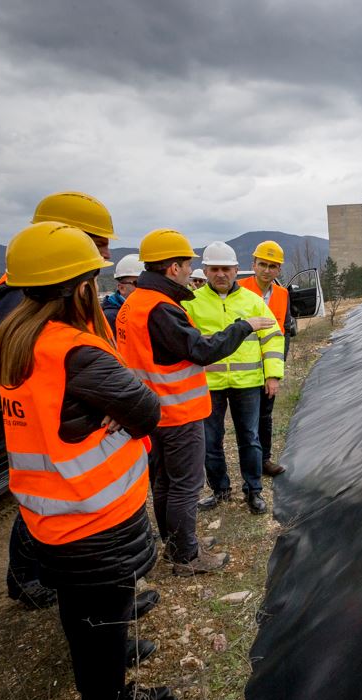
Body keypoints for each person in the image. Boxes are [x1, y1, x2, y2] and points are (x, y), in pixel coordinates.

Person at [0, 221, 176, 700]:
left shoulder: (11, 342)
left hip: (48, 513)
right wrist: (113, 408)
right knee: (101, 616)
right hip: (97, 515)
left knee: (82, 614)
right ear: (80, 287)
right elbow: (146, 410)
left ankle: (103, 697)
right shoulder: (76, 351)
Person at [0, 192, 159, 621]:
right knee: (48, 507)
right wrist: (107, 404)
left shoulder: (25, 293)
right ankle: (32, 581)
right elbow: (54, 376)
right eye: (97, 243)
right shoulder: (26, 302)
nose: (105, 254)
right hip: (65, 463)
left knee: (49, 512)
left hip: (65, 443)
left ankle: (104, 603)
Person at [118, 229, 273, 574]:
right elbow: (201, 350)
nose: (192, 271)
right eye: (188, 264)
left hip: (152, 410)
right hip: (176, 411)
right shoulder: (161, 308)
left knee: (164, 482)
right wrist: (243, 326)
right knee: (184, 486)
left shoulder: (135, 303)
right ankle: (185, 556)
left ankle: (177, 544)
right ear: (173, 267)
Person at [185, 242, 283, 514]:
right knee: (210, 441)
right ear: (205, 271)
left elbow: (273, 338)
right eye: (214, 269)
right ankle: (220, 490)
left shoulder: (253, 302)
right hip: (209, 385)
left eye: (226, 269)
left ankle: (253, 490)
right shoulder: (191, 304)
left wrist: (273, 374)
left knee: (250, 438)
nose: (220, 274)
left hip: (248, 383)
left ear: (236, 270)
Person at [237, 240, 293, 476]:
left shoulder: (282, 294)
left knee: (265, 415)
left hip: (269, 366)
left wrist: (277, 369)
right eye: (262, 264)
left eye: (272, 266)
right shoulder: (238, 289)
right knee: (246, 421)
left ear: (278, 269)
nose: (267, 270)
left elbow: (285, 330)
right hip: (243, 368)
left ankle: (264, 460)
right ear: (254, 265)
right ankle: (249, 467)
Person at [102, 253, 143, 334]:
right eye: (138, 283)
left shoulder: (142, 310)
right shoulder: (110, 318)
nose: (144, 288)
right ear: (121, 288)